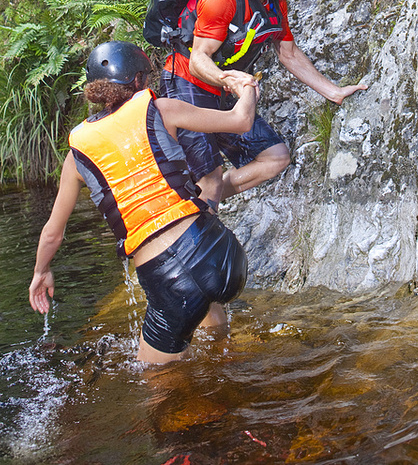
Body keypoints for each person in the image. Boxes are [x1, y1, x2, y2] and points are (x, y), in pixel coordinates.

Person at [28, 41, 258, 365]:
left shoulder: (77, 156)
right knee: (205, 309)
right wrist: (247, 85)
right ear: (138, 81)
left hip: (168, 278)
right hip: (220, 254)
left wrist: (41, 272)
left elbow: (53, 233)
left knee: (152, 384)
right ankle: (225, 364)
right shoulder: (161, 109)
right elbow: (241, 119)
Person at [160, 0, 366, 209]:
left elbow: (289, 53)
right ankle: (201, 214)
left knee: (275, 157)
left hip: (222, 89)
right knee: (209, 177)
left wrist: (333, 92)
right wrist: (230, 81)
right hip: (185, 84)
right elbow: (198, 60)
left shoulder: (275, 5)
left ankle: (194, 203)